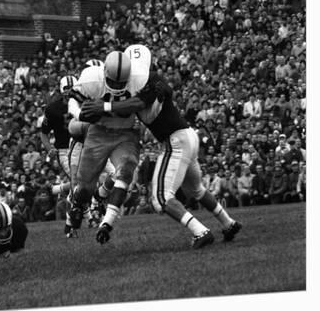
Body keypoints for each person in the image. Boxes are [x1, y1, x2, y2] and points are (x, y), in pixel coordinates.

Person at [80, 44, 242, 248]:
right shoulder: (147, 82)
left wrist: (103, 107)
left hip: (175, 140)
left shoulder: (150, 81)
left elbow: (135, 104)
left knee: (161, 199)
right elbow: (130, 104)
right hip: (187, 136)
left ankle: (200, 232)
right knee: (196, 190)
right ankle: (229, 223)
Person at [66, 50, 141, 238]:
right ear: (104, 72)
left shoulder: (139, 80)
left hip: (126, 133)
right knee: (84, 188)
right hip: (98, 132)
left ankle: (106, 222)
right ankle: (78, 203)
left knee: (125, 170)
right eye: (112, 81)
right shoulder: (92, 78)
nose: (116, 86)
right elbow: (72, 102)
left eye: (121, 82)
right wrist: (81, 115)